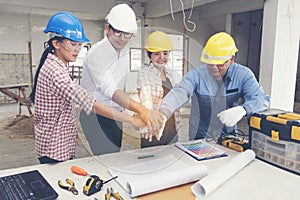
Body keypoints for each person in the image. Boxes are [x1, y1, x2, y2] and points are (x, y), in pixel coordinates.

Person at [29, 12, 146, 164]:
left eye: (79, 44)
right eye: (72, 44)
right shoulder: (55, 70)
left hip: (61, 142)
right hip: (54, 145)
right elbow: (91, 103)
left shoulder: (58, 65)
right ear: (56, 44)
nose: (77, 49)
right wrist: (133, 119)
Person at [152, 32, 270, 140]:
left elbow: (262, 99)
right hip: (199, 133)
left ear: (232, 59)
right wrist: (163, 113)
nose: (214, 69)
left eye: (219, 65)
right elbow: (180, 92)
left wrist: (243, 109)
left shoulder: (243, 75)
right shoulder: (197, 75)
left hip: (228, 135)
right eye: (210, 64)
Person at [80, 4, 163, 155]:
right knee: (106, 156)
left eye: (127, 34)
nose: (123, 39)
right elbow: (111, 90)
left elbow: (121, 86)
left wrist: (133, 110)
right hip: (96, 115)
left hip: (116, 113)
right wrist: (142, 110)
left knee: (115, 153)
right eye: (118, 32)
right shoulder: (96, 54)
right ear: (107, 28)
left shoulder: (124, 52)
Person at [137, 31, 181, 148]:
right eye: (157, 54)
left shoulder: (169, 74)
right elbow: (145, 98)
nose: (162, 58)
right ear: (149, 54)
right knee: (152, 162)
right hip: (154, 128)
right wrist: (151, 123)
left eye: (165, 53)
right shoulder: (144, 73)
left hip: (171, 126)